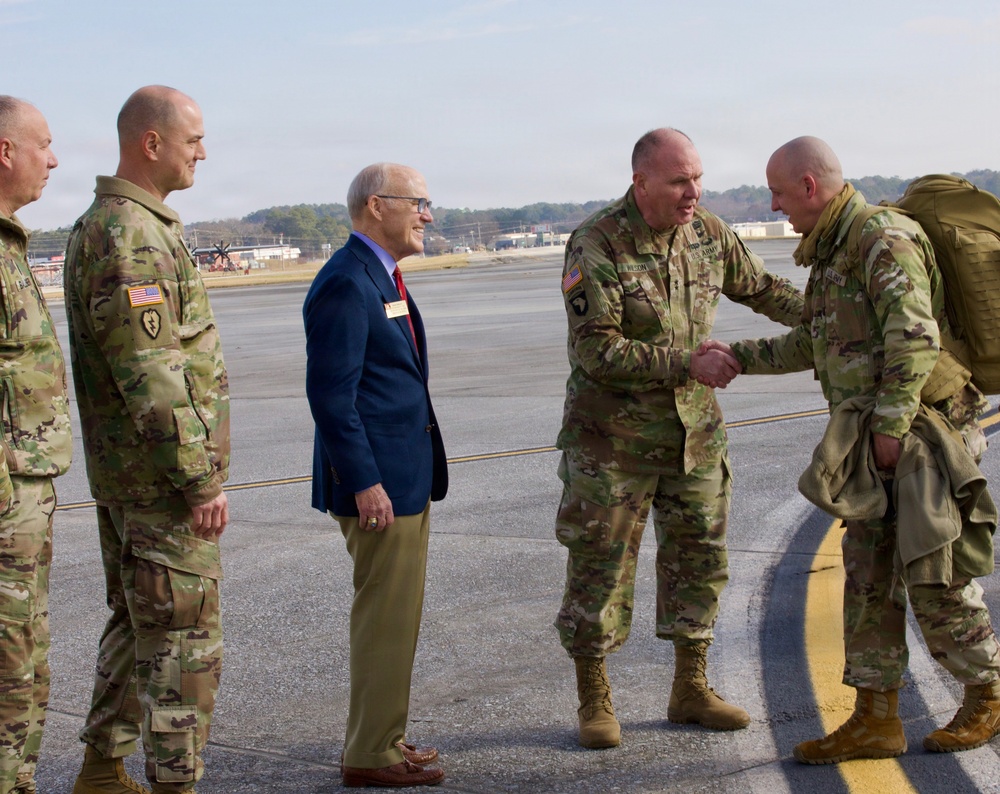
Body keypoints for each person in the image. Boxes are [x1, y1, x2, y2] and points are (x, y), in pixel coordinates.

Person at [720, 135, 1000, 762]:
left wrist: (891, 431)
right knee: (869, 576)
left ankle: (988, 696)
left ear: (810, 187)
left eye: (779, 192)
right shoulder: (835, 252)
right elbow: (817, 344)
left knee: (936, 571)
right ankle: (877, 719)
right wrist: (734, 358)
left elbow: (917, 338)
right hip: (879, 440)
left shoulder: (879, 238)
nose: (773, 207)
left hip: (922, 432)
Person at [554, 127, 804, 748]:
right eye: (678, 181)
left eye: (697, 178)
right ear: (641, 182)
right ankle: (595, 698)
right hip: (611, 442)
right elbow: (596, 349)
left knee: (700, 558)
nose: (693, 192)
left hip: (694, 435)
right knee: (600, 568)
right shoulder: (596, 243)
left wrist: (832, 318)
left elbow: (763, 289)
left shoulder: (708, 231)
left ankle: (690, 688)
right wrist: (685, 363)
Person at [63, 86, 230, 794]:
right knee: (182, 645)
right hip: (160, 484)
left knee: (138, 627)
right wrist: (197, 478)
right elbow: (152, 374)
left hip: (133, 478)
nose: (203, 151)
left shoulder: (119, 224)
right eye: (192, 138)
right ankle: (174, 784)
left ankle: (104, 768)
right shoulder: (131, 233)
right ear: (150, 143)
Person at [303, 163, 448, 787]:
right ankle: (370, 753)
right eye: (417, 202)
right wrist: (364, 482)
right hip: (379, 486)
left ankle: (382, 736)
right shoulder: (346, 281)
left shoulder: (379, 275)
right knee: (385, 618)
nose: (427, 215)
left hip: (401, 477)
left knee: (397, 617)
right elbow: (333, 397)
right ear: (374, 206)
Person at [0, 96, 72, 794]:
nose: (52, 159)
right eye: (43, 144)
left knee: (25, 669)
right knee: (6, 677)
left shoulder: (11, 244)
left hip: (26, 500)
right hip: (4, 510)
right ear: (4, 152)